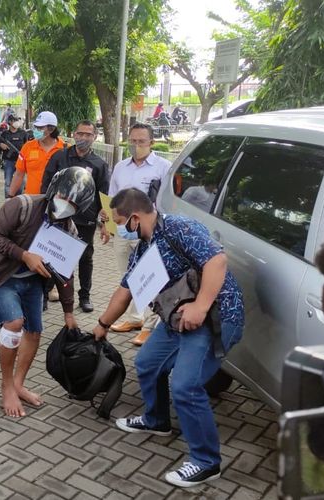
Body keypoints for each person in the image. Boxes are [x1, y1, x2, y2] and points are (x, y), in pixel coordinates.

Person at [93, 188, 244, 487]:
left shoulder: (179, 227)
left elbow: (217, 262)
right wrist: (102, 325)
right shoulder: (142, 249)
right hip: (178, 319)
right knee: (148, 363)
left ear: (135, 218)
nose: (117, 227)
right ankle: (156, 420)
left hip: (214, 316)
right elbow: (125, 293)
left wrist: (200, 306)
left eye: (119, 221)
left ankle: (206, 462)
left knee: (186, 386)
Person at [0, 167, 95, 417]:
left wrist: (68, 312)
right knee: (14, 323)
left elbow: (66, 271)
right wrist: (24, 255)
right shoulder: (22, 205)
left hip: (33, 282)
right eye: (64, 198)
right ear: (54, 190)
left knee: (34, 331)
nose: (66, 207)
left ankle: (19, 384)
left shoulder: (69, 229)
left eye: (73, 206)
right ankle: (7, 386)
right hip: (2, 275)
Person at [101, 122, 172, 345]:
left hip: (149, 234)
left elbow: (168, 201)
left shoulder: (163, 167)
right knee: (129, 279)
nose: (136, 145)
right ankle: (134, 318)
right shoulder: (121, 167)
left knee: (150, 278)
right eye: (132, 141)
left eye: (141, 141)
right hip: (123, 233)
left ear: (152, 142)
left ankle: (150, 326)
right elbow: (112, 200)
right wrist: (106, 225)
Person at [41, 120, 109, 313]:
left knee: (85, 259)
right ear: (74, 134)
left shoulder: (99, 164)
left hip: (85, 221)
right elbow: (46, 184)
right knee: (51, 256)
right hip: (57, 217)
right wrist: (45, 209)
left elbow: (104, 196)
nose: (83, 138)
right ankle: (43, 295)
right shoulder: (60, 157)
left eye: (88, 135)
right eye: (80, 134)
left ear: (95, 137)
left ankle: (85, 296)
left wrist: (105, 224)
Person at [9, 111, 64, 197]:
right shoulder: (27, 147)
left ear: (51, 129)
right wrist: (10, 196)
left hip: (55, 203)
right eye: (36, 127)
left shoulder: (65, 149)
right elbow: (18, 174)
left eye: (40, 128)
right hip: (32, 202)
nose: (36, 130)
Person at [0, 115, 27, 199]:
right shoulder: (4, 133)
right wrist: (1, 145)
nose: (17, 122)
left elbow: (27, 145)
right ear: (10, 122)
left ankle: (18, 199)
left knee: (20, 181)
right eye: (15, 120)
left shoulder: (23, 133)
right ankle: (8, 199)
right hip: (8, 161)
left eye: (17, 120)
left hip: (20, 161)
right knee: (8, 181)